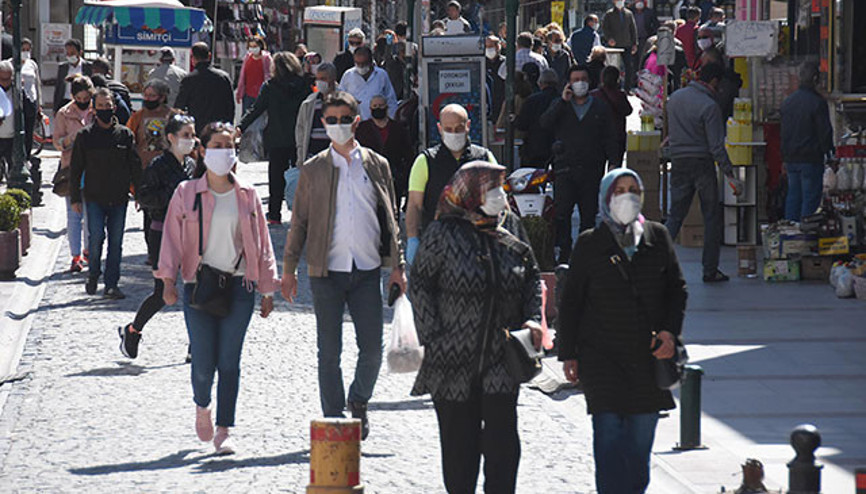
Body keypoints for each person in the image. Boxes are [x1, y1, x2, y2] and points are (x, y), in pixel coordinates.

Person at [410, 161, 543, 494]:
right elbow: (421, 285)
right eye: (490, 189)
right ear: (470, 194)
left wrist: (532, 317)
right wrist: (434, 337)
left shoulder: (510, 225)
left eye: (501, 188)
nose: (499, 196)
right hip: (452, 358)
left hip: (502, 352)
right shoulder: (443, 232)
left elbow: (532, 276)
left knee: (503, 446)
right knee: (459, 451)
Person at [281, 91, 406, 440]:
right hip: (326, 273)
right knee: (329, 351)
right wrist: (289, 269)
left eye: (343, 119)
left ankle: (359, 400)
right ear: (323, 123)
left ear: (356, 121)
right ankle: (334, 420)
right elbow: (300, 222)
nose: (337, 125)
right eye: (330, 120)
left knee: (372, 348)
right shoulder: (314, 168)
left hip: (366, 270)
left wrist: (398, 265)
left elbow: (391, 218)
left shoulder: (377, 164)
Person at [558, 167, 687, 494]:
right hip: (602, 360)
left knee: (639, 448)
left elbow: (677, 290)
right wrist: (568, 354)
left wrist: (670, 333)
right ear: (605, 197)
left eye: (632, 189)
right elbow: (572, 302)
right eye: (618, 190)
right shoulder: (590, 243)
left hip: (648, 359)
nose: (626, 196)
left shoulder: (657, 237)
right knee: (609, 441)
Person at [157, 121, 279, 455]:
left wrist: (268, 290)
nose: (224, 152)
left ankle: (225, 429)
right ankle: (202, 406)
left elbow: (262, 244)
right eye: (217, 146)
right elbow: (169, 239)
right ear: (202, 150)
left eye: (229, 146)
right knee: (202, 361)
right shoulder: (186, 194)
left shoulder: (247, 194)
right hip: (199, 285)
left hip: (240, 286)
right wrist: (167, 280)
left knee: (229, 361)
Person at [120, 114, 197, 359]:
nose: (191, 140)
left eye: (192, 135)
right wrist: (173, 196)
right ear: (171, 138)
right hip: (162, 233)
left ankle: (196, 345)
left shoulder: (191, 166)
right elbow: (144, 197)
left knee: (195, 290)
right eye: (186, 135)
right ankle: (133, 331)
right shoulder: (158, 166)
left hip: (190, 234)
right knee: (162, 293)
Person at [665, 62, 741, 282]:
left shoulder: (676, 99)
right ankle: (710, 269)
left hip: (678, 161)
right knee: (711, 217)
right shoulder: (709, 106)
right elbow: (716, 146)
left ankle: (654, 263)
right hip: (702, 163)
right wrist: (729, 173)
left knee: (675, 216)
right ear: (714, 82)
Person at [540, 64, 618, 264]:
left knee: (589, 215)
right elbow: (545, 124)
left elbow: (611, 136)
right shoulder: (561, 105)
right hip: (565, 169)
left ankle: (586, 253)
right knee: (562, 213)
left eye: (582, 79)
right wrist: (562, 102)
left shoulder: (600, 107)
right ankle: (564, 251)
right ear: (568, 83)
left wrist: (614, 164)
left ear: (589, 81)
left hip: (592, 169)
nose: (579, 83)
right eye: (575, 80)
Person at [69, 88, 142, 299]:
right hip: (94, 197)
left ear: (114, 107)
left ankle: (111, 284)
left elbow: (134, 165)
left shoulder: (125, 135)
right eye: (100, 106)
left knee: (116, 243)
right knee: (96, 239)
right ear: (94, 109)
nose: (104, 110)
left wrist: (138, 193)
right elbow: (76, 169)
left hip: (119, 197)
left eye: (107, 106)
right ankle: (93, 274)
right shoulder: (85, 136)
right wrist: (75, 198)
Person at [405, 104, 497, 264]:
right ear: (440, 128)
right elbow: (414, 205)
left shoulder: (484, 158)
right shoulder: (425, 162)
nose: (453, 133)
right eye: (448, 129)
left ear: (468, 126)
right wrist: (412, 239)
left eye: (458, 128)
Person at [239, 52, 311, 224]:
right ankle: (300, 213)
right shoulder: (305, 85)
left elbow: (256, 109)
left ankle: (274, 214)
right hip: (300, 138)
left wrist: (240, 126)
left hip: (276, 138)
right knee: (300, 176)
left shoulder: (270, 86)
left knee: (276, 177)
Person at [780, 62, 833, 222]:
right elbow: (824, 133)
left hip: (791, 159)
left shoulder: (788, 102)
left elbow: (784, 132)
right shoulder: (817, 103)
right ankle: (805, 234)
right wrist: (830, 154)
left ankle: (790, 235)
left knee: (793, 197)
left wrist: (784, 157)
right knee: (810, 200)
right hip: (811, 158)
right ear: (815, 79)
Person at [53, 75, 94, 272]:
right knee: (74, 214)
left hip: (95, 168)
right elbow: (57, 143)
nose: (84, 102)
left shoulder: (97, 110)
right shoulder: (64, 113)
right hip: (72, 169)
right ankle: (75, 255)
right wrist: (72, 138)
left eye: (87, 98)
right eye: (80, 98)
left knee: (92, 213)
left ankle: (89, 251)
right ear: (73, 95)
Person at [355, 95, 414, 207]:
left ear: (386, 107)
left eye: (381, 105)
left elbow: (408, 154)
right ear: (370, 109)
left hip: (393, 177)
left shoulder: (398, 128)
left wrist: (404, 177)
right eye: (375, 106)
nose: (378, 108)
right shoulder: (362, 129)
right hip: (369, 176)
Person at [175, 42, 235, 135]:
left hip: (197, 129)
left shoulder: (188, 80)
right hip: (219, 129)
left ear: (193, 59)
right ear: (209, 56)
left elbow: (179, 106)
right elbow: (230, 106)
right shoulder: (223, 77)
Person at [339, 46, 399, 121]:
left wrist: (391, 121)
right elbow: (341, 98)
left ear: (370, 62)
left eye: (363, 64)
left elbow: (391, 101)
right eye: (358, 63)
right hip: (354, 123)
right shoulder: (348, 75)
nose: (360, 67)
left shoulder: (381, 75)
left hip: (378, 123)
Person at [516, 69, 560, 167]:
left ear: (540, 83)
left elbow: (522, 125)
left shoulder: (531, 101)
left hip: (534, 152)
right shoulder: (562, 100)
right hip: (556, 151)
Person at [296, 63, 339, 164]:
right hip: (312, 156)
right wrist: (301, 155)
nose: (319, 82)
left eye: (323, 79)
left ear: (333, 79)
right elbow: (300, 129)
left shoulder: (345, 100)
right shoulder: (310, 102)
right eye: (317, 78)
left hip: (336, 156)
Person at [591, 65, 633, 166]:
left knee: (597, 169)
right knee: (615, 170)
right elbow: (628, 110)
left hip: (598, 137)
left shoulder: (594, 95)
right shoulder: (620, 95)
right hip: (617, 137)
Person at [601, 0, 638, 90]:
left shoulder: (629, 14)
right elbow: (605, 28)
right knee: (613, 68)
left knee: (629, 67)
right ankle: (613, 87)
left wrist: (635, 43)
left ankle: (627, 88)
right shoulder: (609, 14)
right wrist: (609, 38)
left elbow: (633, 29)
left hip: (627, 44)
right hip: (614, 46)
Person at [52, 39, 93, 114]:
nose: (70, 56)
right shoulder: (63, 67)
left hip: (82, 102)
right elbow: (58, 87)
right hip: (65, 101)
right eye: (68, 53)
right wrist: (55, 108)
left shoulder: (88, 67)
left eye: (72, 53)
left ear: (80, 53)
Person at [235, 38, 273, 113]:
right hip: (248, 94)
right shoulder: (247, 58)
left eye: (255, 46)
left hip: (262, 95)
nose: (253, 48)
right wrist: (239, 92)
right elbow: (242, 77)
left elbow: (270, 75)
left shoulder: (266, 58)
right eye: (251, 46)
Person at [21, 38, 41, 158]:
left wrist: (39, 104)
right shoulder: (11, 63)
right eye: (23, 49)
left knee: (29, 130)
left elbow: (37, 83)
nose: (26, 52)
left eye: (28, 50)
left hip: (31, 99)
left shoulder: (32, 64)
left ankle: (27, 155)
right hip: (17, 100)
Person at [485, 35, 506, 122]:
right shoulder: (482, 63)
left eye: (491, 47)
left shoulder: (505, 62)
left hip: (501, 103)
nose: (488, 49)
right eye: (486, 47)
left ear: (498, 47)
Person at [632, 0, 660, 67]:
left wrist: (652, 35)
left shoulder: (649, 12)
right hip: (632, 40)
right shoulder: (631, 12)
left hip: (644, 39)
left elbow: (656, 25)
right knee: (633, 60)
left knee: (643, 58)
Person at [0, 62, 14, 166]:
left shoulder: (17, 91)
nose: (6, 82)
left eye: (8, 79)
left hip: (12, 137)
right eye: (3, 79)